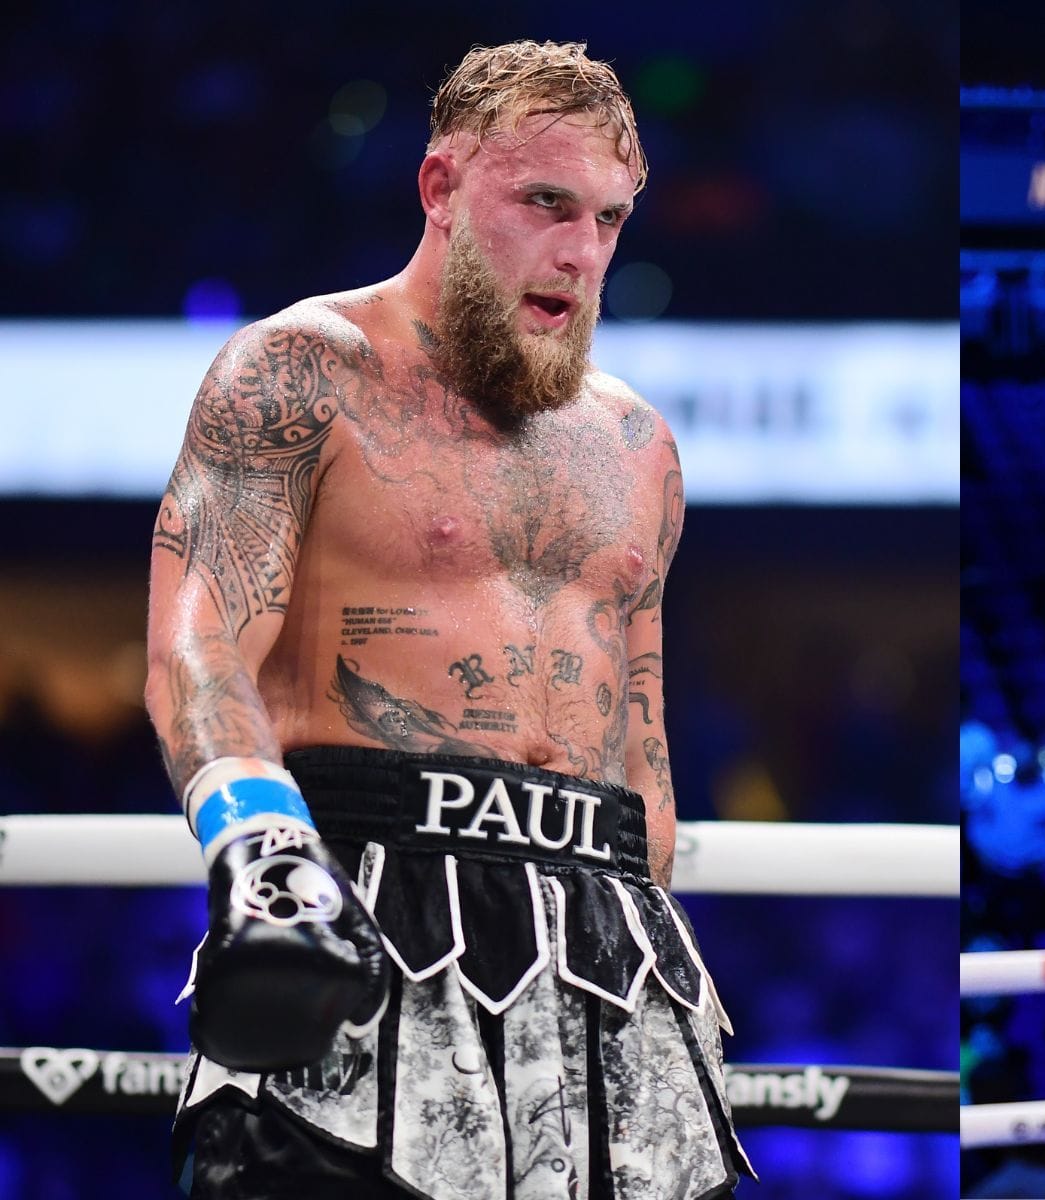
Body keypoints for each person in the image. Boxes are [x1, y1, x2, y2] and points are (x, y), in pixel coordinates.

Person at [146, 40, 750, 1199]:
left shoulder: (639, 446)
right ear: (440, 188)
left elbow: (640, 729)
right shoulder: (299, 371)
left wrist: (649, 914)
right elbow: (198, 643)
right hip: (368, 895)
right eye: (545, 203)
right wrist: (262, 848)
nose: (581, 251)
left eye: (612, 219)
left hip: (609, 952)